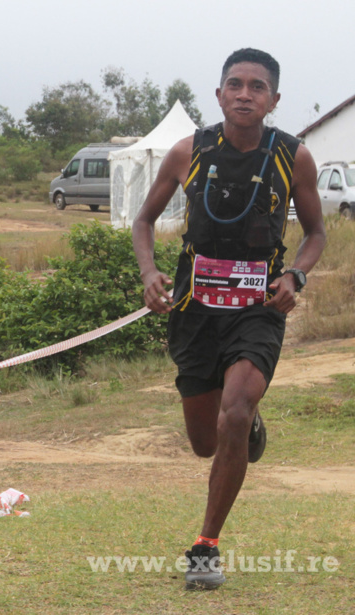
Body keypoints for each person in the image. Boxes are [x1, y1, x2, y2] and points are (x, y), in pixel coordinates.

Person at [132, 48, 326, 590]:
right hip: (194, 311)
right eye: (235, 85)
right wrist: (150, 274)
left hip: (258, 310)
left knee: (234, 411)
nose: (245, 94)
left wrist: (295, 277)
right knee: (205, 440)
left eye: (257, 87)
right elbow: (143, 221)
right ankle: (244, 423)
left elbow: (315, 233)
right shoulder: (187, 151)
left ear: (274, 99)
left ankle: (206, 547)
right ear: (218, 94)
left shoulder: (294, 157)